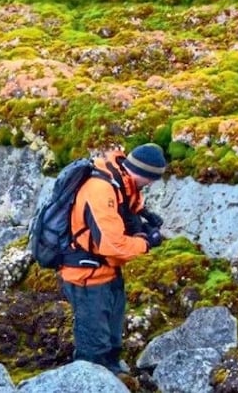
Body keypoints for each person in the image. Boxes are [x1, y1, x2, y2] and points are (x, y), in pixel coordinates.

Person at [59, 143, 167, 375]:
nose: (151, 185)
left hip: (108, 272)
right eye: (151, 180)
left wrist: (143, 222)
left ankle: (113, 375)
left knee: (112, 341)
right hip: (86, 277)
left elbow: (128, 212)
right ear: (145, 173)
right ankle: (88, 382)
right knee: (94, 349)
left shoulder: (122, 181)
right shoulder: (101, 189)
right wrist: (146, 243)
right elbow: (112, 245)